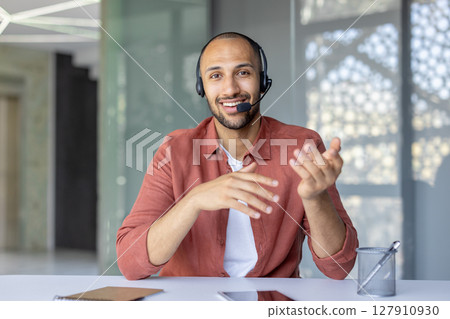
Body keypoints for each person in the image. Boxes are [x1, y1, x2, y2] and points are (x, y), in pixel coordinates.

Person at [116, 32, 358, 280]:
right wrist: (193, 201)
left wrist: (316, 198)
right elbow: (129, 264)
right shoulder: (174, 150)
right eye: (216, 76)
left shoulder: (301, 146)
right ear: (202, 87)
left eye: (243, 73)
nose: (230, 89)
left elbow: (339, 268)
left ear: (262, 81)